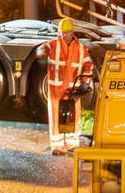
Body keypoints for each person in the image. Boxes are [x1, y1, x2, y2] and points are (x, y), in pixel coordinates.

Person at [37, 17, 92, 154]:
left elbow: (88, 66)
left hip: (73, 90)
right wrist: (40, 52)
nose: (63, 35)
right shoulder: (52, 44)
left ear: (72, 32)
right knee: (56, 116)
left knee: (74, 116)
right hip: (56, 89)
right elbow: (41, 49)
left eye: (66, 32)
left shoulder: (81, 48)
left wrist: (85, 82)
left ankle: (72, 144)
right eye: (61, 32)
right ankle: (57, 146)